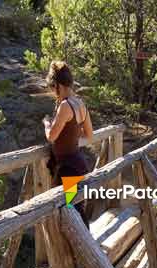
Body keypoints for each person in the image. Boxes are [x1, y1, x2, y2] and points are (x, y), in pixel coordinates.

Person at [43, 61, 93, 224]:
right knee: (75, 210)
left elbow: (51, 136)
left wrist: (46, 124)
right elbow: (89, 136)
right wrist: (73, 137)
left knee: (72, 215)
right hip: (78, 164)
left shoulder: (65, 106)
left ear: (57, 84)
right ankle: (86, 247)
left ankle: (87, 249)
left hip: (68, 169)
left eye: (52, 88)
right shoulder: (81, 104)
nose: (53, 92)